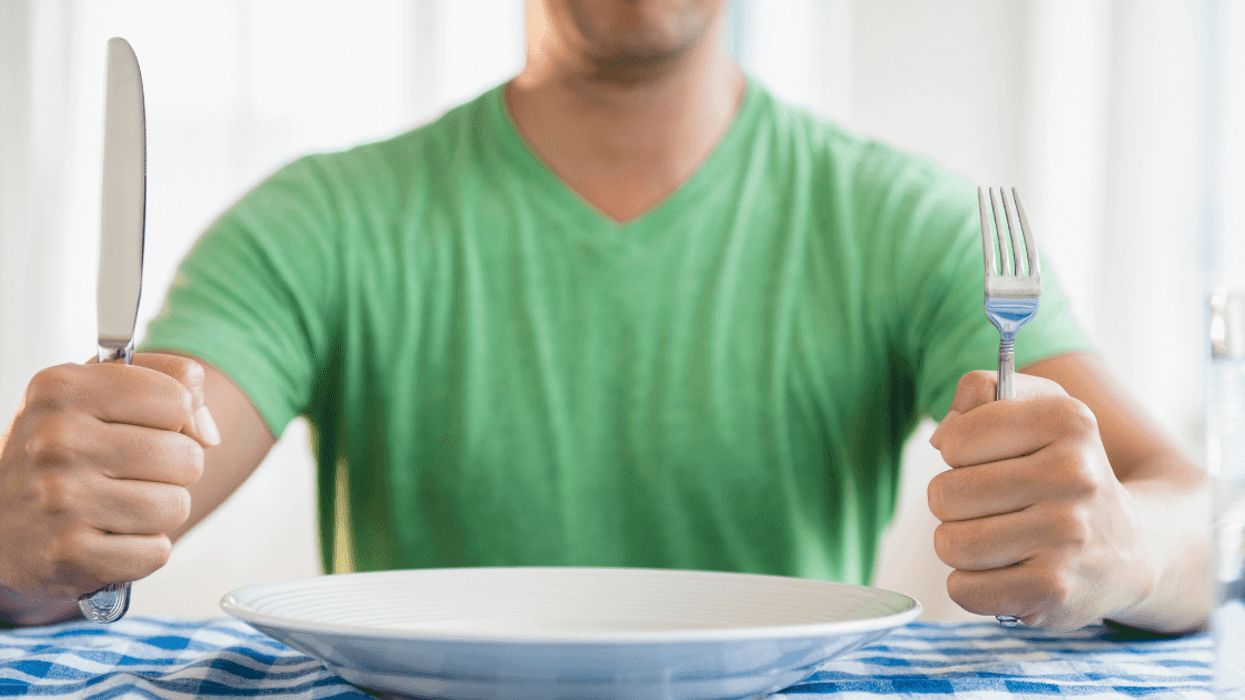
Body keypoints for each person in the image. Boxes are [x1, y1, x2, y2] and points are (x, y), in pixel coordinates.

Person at [0, 0, 1209, 633]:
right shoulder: (316, 221)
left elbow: (1187, 512)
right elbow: (100, 524)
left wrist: (1127, 547)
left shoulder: (913, 222)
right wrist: (32, 544)